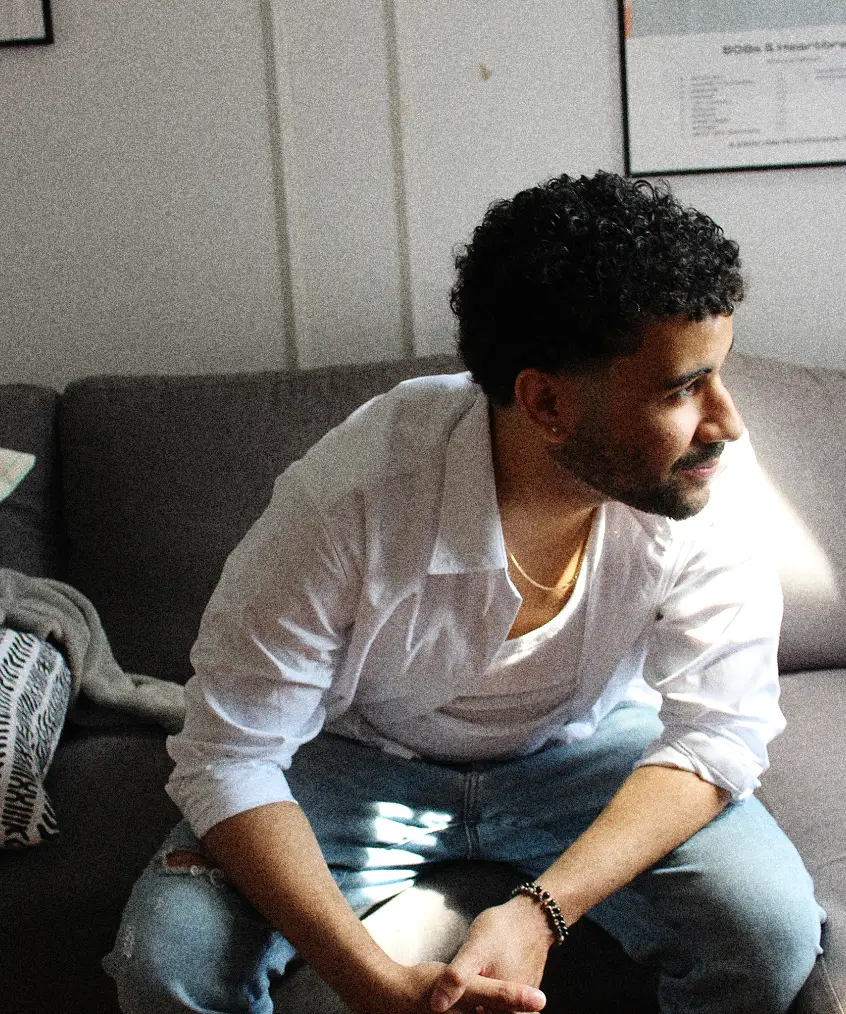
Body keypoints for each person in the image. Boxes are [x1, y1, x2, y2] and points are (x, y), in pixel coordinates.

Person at [105, 171, 824, 1014]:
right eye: (680, 389)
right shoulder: (354, 497)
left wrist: (542, 912)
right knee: (170, 965)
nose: (726, 423)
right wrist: (369, 983)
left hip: (583, 752)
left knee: (771, 933)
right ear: (546, 403)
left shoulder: (702, 481)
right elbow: (229, 758)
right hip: (355, 760)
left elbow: (717, 735)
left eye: (718, 375)